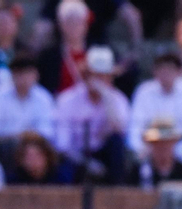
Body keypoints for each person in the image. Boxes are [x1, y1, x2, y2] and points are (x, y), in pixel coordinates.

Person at [53, 45, 130, 182]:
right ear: (86, 76)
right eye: (95, 75)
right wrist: (86, 163)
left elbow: (120, 130)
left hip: (104, 156)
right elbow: (63, 145)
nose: (99, 80)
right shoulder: (67, 100)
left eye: (104, 76)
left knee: (116, 145)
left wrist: (106, 98)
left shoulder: (118, 99)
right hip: (75, 157)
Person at [127, 53, 182, 163]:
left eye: (170, 69)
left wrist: (169, 149)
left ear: (179, 72)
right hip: (150, 146)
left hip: (181, 146)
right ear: (154, 72)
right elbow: (135, 127)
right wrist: (140, 147)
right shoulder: (144, 91)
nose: (166, 73)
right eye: (162, 69)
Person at [0, 54, 57, 143]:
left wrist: (27, 137)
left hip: (35, 145)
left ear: (36, 75)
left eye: (29, 73)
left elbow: (47, 131)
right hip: (3, 146)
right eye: (20, 73)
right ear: (12, 75)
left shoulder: (44, 97)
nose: (25, 78)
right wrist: (19, 136)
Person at [37, 0, 93, 95]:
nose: (74, 27)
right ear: (61, 24)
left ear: (85, 25)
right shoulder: (48, 56)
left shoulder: (95, 52)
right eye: (69, 22)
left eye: (78, 22)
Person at [127, 116, 182, 184]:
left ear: (174, 143)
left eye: (167, 142)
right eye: (158, 143)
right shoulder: (137, 172)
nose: (163, 147)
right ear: (151, 144)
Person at [4, 129, 78, 182]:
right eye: (29, 157)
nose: (33, 161)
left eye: (37, 156)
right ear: (21, 159)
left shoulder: (62, 177)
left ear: (47, 156)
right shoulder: (14, 180)